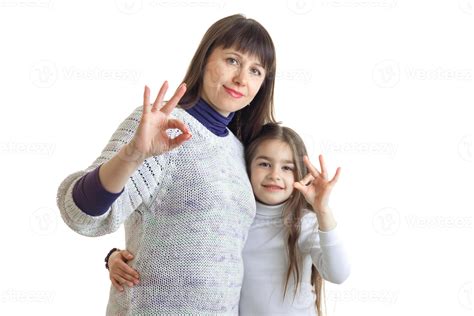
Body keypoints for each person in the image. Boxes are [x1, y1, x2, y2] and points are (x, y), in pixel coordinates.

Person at [56, 14, 276, 315]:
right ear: (205, 58)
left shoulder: (241, 151)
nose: (242, 79)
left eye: (255, 70)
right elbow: (80, 214)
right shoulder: (163, 126)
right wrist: (134, 153)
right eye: (232, 61)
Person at [107, 123, 351, 315]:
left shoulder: (303, 223)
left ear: (300, 173)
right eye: (264, 164)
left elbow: (338, 274)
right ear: (247, 167)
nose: (275, 175)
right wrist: (115, 257)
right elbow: (182, 245)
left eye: (287, 168)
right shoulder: (232, 216)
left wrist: (323, 211)